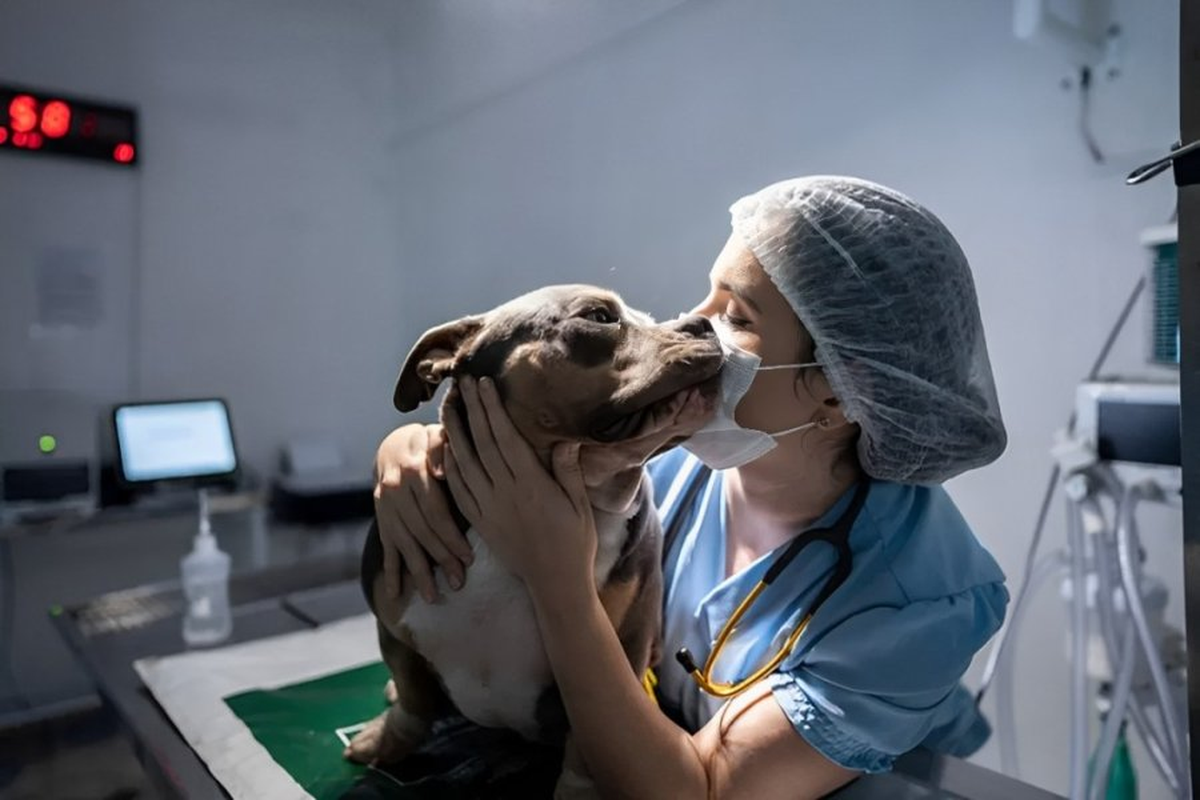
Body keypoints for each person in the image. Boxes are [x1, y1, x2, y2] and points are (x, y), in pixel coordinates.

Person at [371, 176, 1009, 799]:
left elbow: (700, 789)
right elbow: (542, 433)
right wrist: (415, 453)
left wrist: (557, 579)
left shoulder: (918, 607)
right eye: (707, 298)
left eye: (735, 315)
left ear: (843, 388)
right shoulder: (672, 467)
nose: (692, 328)